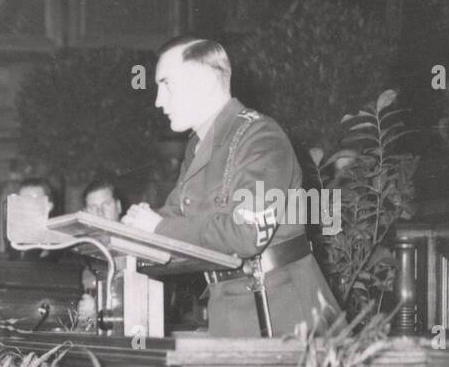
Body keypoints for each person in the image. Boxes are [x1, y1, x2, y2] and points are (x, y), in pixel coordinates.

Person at [123, 36, 340, 337]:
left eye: (166, 84)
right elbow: (176, 216)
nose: (159, 101)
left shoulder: (261, 137)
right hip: (231, 306)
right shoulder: (200, 146)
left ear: (206, 81)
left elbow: (248, 233)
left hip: (282, 313)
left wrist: (157, 228)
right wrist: (128, 229)